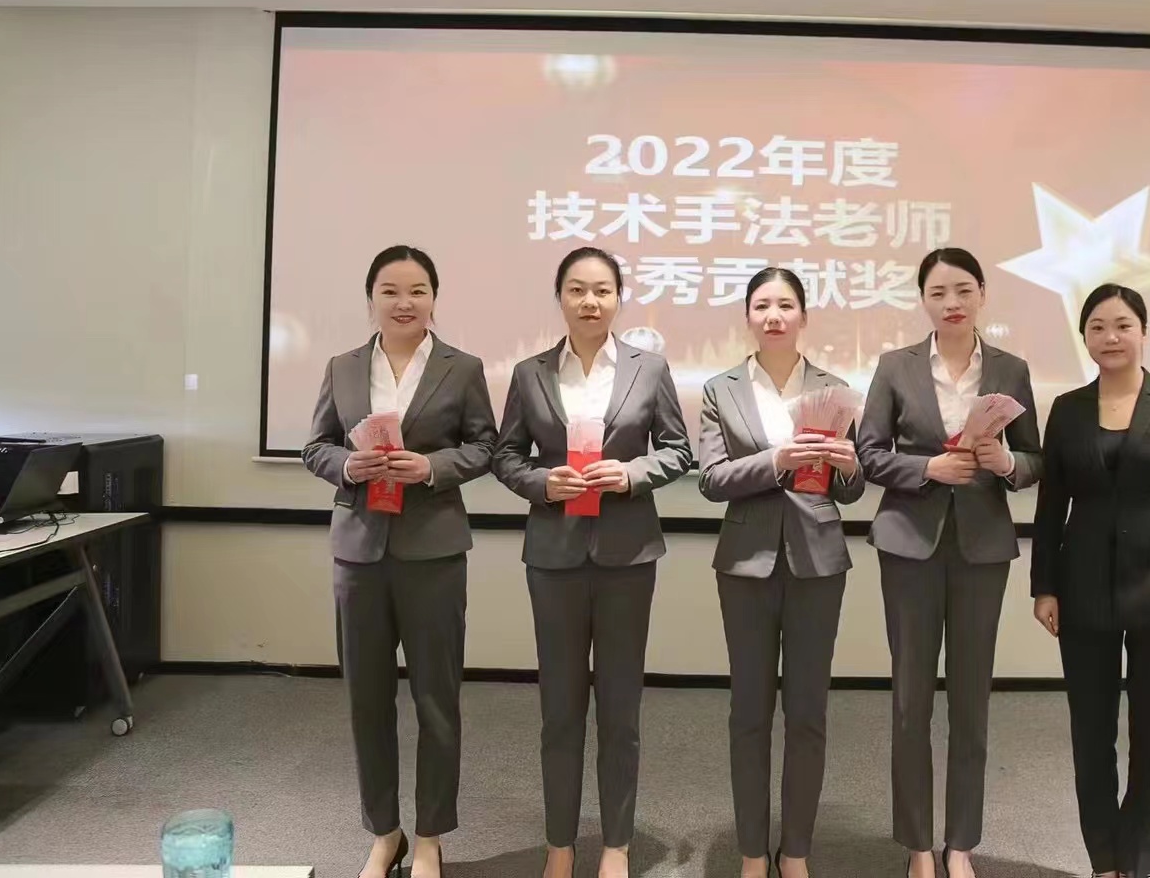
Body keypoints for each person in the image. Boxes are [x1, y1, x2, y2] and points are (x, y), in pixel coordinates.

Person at [493, 247, 693, 878]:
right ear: (560, 298)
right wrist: (541, 483)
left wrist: (630, 475)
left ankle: (615, 844)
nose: (590, 301)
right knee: (559, 708)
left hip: (626, 553)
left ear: (618, 299)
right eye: (577, 290)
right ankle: (559, 844)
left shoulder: (648, 368)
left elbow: (678, 450)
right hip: (554, 554)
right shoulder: (529, 373)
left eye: (602, 290)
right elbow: (505, 456)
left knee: (620, 707)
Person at [303, 245, 500, 878]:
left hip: (433, 550)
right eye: (390, 290)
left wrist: (432, 467)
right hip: (359, 551)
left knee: (437, 700)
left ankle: (431, 836)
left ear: (434, 298)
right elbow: (316, 447)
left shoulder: (462, 368)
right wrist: (348, 464)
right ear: (372, 299)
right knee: (366, 699)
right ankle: (384, 833)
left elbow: (485, 447)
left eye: (417, 290)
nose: (404, 302)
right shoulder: (342, 367)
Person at [856, 247, 1043, 878]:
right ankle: (917, 844)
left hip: (982, 548)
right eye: (938, 293)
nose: (952, 303)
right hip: (909, 544)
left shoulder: (1011, 369)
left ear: (983, 294)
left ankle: (960, 842)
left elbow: (1035, 458)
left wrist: (1007, 463)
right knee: (911, 701)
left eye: (963, 290)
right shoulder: (895, 366)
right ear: (923, 301)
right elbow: (869, 453)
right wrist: (927, 468)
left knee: (971, 700)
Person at [1030, 283, 1150, 878]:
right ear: (1084, 336)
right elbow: (1050, 505)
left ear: (1144, 333)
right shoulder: (1067, 408)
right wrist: (1044, 585)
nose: (1110, 337)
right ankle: (1103, 860)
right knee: (1091, 734)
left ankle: (1137, 862)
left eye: (1123, 325)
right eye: (1097, 327)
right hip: (1082, 587)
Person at [696, 267, 866, 878]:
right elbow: (711, 479)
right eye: (762, 305)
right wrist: (778, 459)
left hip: (818, 560)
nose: (774, 315)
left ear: (803, 316)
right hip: (745, 562)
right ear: (748, 316)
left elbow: (850, 490)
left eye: (786, 305)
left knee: (808, 712)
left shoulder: (835, 388)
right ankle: (751, 852)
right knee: (748, 712)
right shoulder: (720, 389)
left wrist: (848, 466)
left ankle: (795, 852)